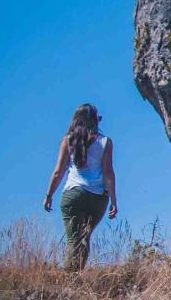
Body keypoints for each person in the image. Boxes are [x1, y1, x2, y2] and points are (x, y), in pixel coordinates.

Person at [44, 103, 117, 270]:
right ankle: (75, 277)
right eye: (98, 118)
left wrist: (49, 195)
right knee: (84, 238)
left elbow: (58, 172)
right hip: (98, 199)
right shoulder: (106, 142)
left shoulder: (68, 140)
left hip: (73, 195)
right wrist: (114, 200)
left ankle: (69, 279)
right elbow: (108, 173)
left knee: (74, 239)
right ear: (93, 121)